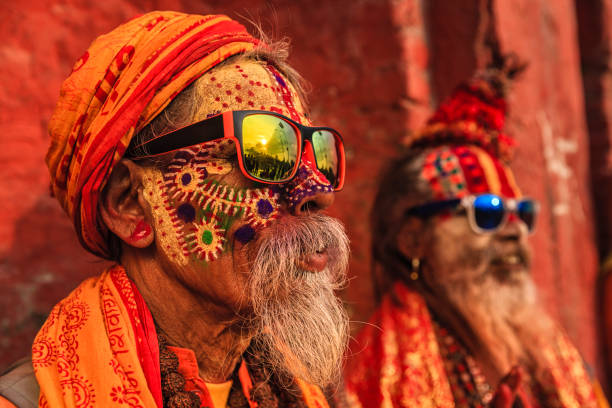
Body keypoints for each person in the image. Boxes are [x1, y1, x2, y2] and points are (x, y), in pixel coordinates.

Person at [0, 11, 350, 408]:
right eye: (265, 150)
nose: (317, 191)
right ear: (129, 204)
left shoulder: (308, 390)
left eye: (317, 152)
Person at [343, 57, 608, 407]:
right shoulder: (381, 374)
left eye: (522, 214)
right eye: (487, 213)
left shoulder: (549, 348)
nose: (514, 231)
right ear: (412, 239)